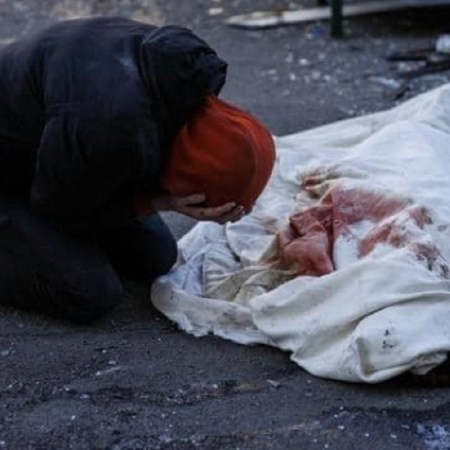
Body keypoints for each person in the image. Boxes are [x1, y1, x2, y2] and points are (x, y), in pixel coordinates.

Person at [0, 17, 276, 324]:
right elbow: (59, 209)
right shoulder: (110, 129)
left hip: (51, 149)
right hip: (17, 176)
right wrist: (158, 202)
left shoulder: (186, 73)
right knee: (90, 292)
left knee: (156, 256)